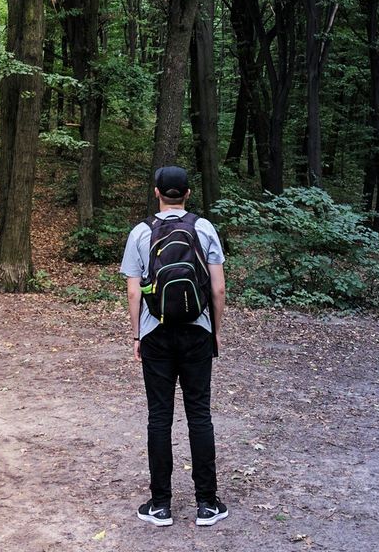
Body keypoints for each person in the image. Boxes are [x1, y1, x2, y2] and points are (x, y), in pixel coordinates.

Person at [120, 165, 228, 527]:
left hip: (156, 333)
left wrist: (137, 335)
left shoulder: (140, 232)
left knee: (159, 416)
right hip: (197, 331)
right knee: (199, 414)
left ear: (156, 192)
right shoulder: (204, 228)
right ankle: (207, 504)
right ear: (187, 193)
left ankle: (160, 505)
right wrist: (215, 331)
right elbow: (218, 289)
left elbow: (134, 291)